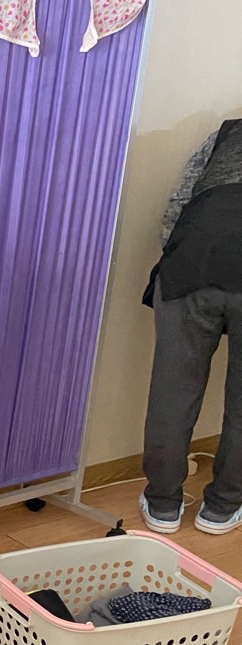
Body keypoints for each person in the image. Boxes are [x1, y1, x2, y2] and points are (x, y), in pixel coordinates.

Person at [140, 118, 242, 535]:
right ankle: (222, 508)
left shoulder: (227, 133)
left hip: (193, 264)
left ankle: (163, 504)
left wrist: (184, 259)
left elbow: (177, 206)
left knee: (173, 390)